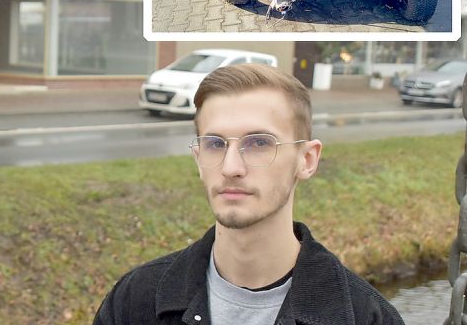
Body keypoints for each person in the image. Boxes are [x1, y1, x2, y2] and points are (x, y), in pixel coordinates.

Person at [93, 64, 402, 325]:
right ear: (198, 158)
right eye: (215, 144)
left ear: (306, 160)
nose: (231, 167)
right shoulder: (135, 301)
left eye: (258, 143)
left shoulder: (365, 316)